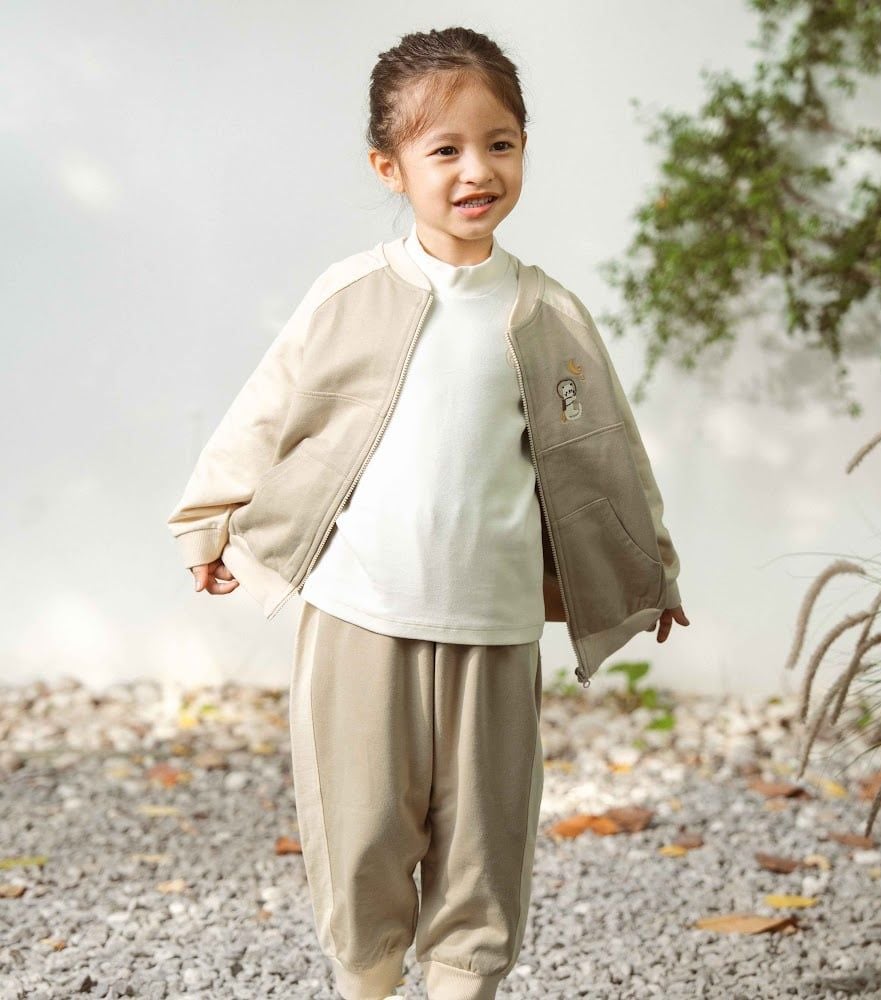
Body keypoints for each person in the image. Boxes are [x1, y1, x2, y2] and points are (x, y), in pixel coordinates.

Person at [167, 25, 690, 1000]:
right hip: (360, 615)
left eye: (500, 143)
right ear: (390, 167)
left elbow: (607, 454)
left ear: (524, 149)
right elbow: (266, 412)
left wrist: (647, 567)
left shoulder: (548, 312)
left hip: (493, 627)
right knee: (361, 831)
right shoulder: (350, 294)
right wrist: (211, 517)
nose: (475, 170)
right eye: (443, 149)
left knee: (483, 848)